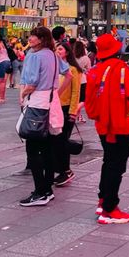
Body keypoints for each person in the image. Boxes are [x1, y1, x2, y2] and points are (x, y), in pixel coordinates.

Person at [85, 33, 129, 224]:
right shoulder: (121, 68)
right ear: (115, 49)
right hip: (118, 125)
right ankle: (109, 209)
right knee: (117, 166)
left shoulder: (96, 69)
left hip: (102, 125)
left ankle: (103, 200)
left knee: (108, 162)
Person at [18, 26, 63, 207]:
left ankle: (40, 191)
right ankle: (47, 189)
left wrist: (23, 95)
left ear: (42, 39)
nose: (30, 39)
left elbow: (32, 82)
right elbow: (64, 74)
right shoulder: (53, 55)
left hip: (37, 101)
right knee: (46, 148)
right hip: (52, 101)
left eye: (34, 36)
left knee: (32, 148)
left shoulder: (35, 56)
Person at [53, 41, 82, 187]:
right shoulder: (55, 67)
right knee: (57, 140)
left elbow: (76, 91)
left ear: (67, 52)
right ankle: (60, 169)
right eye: (56, 49)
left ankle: (66, 170)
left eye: (60, 49)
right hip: (54, 107)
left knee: (62, 140)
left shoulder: (73, 70)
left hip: (66, 109)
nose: (57, 51)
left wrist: (73, 111)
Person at [73, 40, 91, 124]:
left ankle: (78, 116)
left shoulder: (72, 57)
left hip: (73, 79)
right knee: (83, 99)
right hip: (82, 80)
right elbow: (89, 69)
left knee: (76, 99)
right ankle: (75, 112)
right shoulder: (85, 58)